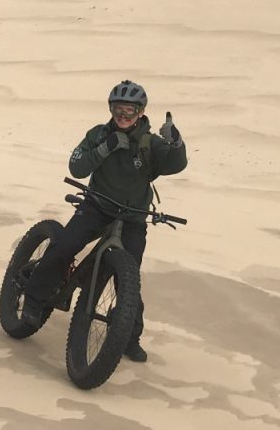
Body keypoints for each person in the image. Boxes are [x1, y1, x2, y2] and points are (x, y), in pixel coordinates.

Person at [21, 80, 187, 362]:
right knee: (64, 246)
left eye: (129, 111)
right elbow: (77, 166)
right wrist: (104, 148)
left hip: (133, 217)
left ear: (141, 112)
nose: (123, 116)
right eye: (118, 109)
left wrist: (176, 142)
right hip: (96, 207)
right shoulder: (98, 134)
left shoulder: (150, 143)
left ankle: (129, 338)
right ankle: (34, 302)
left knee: (129, 278)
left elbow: (176, 164)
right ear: (111, 109)